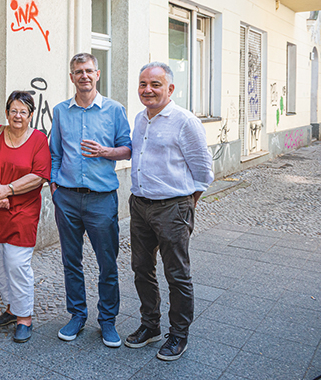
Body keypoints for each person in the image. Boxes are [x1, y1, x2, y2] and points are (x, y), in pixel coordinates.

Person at [124, 61, 213, 361]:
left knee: (177, 274)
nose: (148, 90)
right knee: (141, 269)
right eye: (143, 84)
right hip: (139, 205)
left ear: (170, 88)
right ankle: (150, 326)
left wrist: (186, 204)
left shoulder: (185, 121)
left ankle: (179, 334)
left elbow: (203, 171)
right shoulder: (140, 119)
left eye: (156, 84)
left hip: (172, 207)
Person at [49, 53, 132, 348]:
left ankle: (107, 321)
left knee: (107, 263)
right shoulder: (61, 111)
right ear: (71, 77)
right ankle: (77, 315)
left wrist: (105, 152)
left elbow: (128, 149)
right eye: (77, 71)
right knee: (72, 261)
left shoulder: (114, 110)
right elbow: (54, 152)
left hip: (101, 200)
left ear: (97, 74)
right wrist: (54, 187)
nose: (83, 76)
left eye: (88, 71)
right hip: (68, 198)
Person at [0, 91, 50, 344]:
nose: (17, 116)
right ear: (7, 112)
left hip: (22, 212)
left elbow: (39, 175)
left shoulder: (39, 139)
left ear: (31, 115)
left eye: (23, 111)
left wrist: (7, 190)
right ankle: (11, 307)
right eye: (13, 110)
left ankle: (24, 317)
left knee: (17, 264)